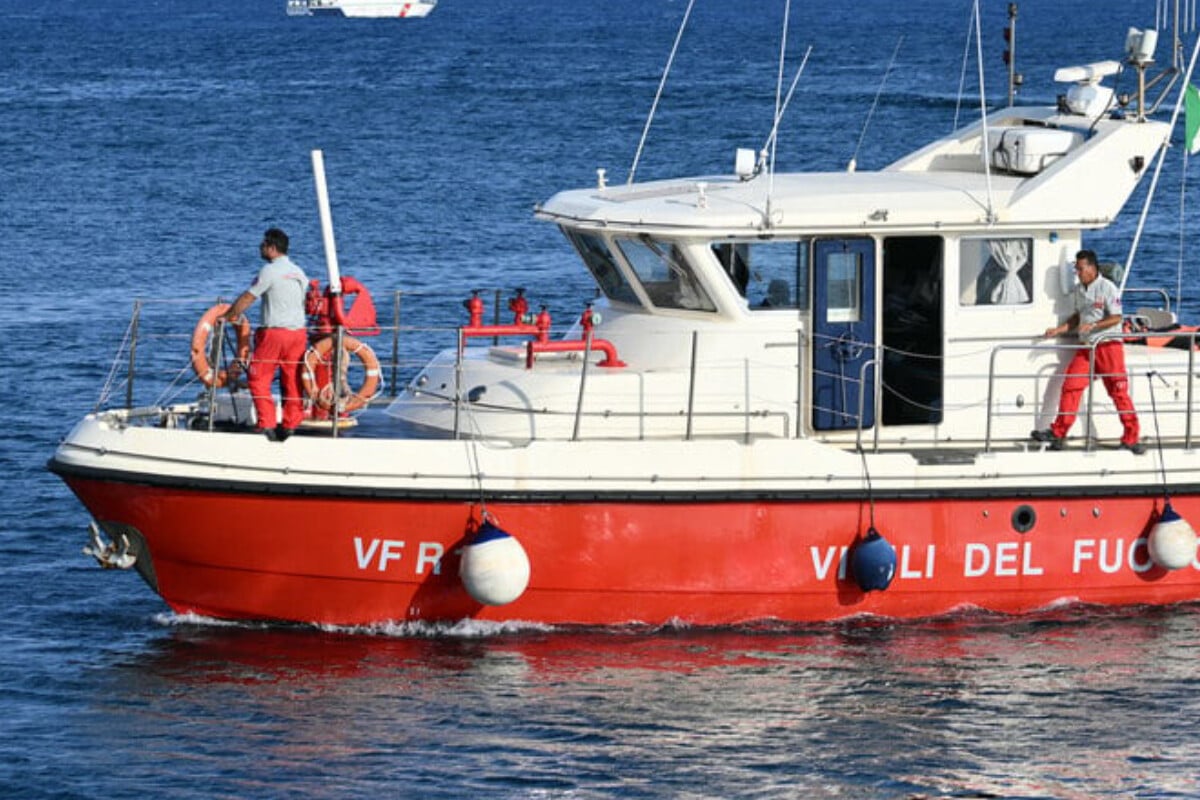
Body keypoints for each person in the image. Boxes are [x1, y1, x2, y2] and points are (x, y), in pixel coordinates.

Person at [1031, 249, 1144, 454]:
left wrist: (1094, 326)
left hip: (1108, 346)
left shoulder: (1107, 288)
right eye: (1076, 268)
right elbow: (1077, 317)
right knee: (1071, 385)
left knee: (1118, 391)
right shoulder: (1079, 290)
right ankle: (1059, 433)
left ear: (1092, 268)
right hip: (1087, 347)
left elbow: (1117, 317)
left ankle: (1131, 437)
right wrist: (1059, 330)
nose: (1078, 272)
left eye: (1080, 268)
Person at [224, 228, 309, 442]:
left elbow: (248, 297)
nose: (260, 248)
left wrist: (228, 315)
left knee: (258, 378)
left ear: (272, 248)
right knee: (293, 380)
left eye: (263, 245)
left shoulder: (269, 271)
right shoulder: (299, 272)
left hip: (274, 334)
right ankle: (290, 424)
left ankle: (267, 424)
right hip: (298, 334)